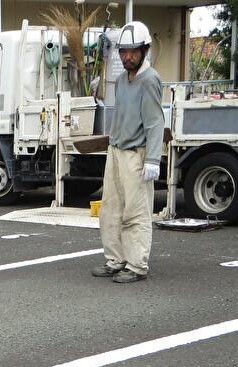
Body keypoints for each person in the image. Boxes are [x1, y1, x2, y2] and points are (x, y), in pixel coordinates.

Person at [92, 21, 164, 283]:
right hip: (116, 150)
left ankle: (136, 264)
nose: (127, 56)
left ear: (145, 50)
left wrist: (153, 158)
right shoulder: (122, 80)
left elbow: (156, 122)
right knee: (110, 209)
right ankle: (115, 259)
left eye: (133, 51)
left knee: (136, 211)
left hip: (137, 153)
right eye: (123, 51)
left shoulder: (150, 80)